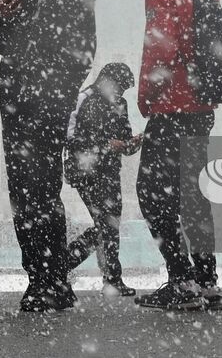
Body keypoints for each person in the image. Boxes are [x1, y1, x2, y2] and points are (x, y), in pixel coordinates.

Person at [0, 0, 97, 312]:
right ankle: (40, 278)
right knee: (23, 194)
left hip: (46, 107)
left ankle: (50, 279)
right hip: (15, 105)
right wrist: (5, 17)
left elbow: (83, 51)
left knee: (43, 191)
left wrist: (58, 95)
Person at [135, 0, 222, 312]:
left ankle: (181, 280)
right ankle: (207, 281)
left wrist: (145, 96)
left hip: (173, 104)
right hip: (201, 106)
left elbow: (161, 46)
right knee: (194, 195)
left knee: (153, 193)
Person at [63, 62, 143, 296]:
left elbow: (123, 139)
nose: (120, 93)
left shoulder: (120, 104)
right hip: (85, 171)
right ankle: (104, 276)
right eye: (120, 87)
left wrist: (130, 145)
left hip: (109, 171)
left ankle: (71, 267)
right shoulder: (83, 98)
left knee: (109, 225)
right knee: (106, 224)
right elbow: (69, 136)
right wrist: (106, 145)